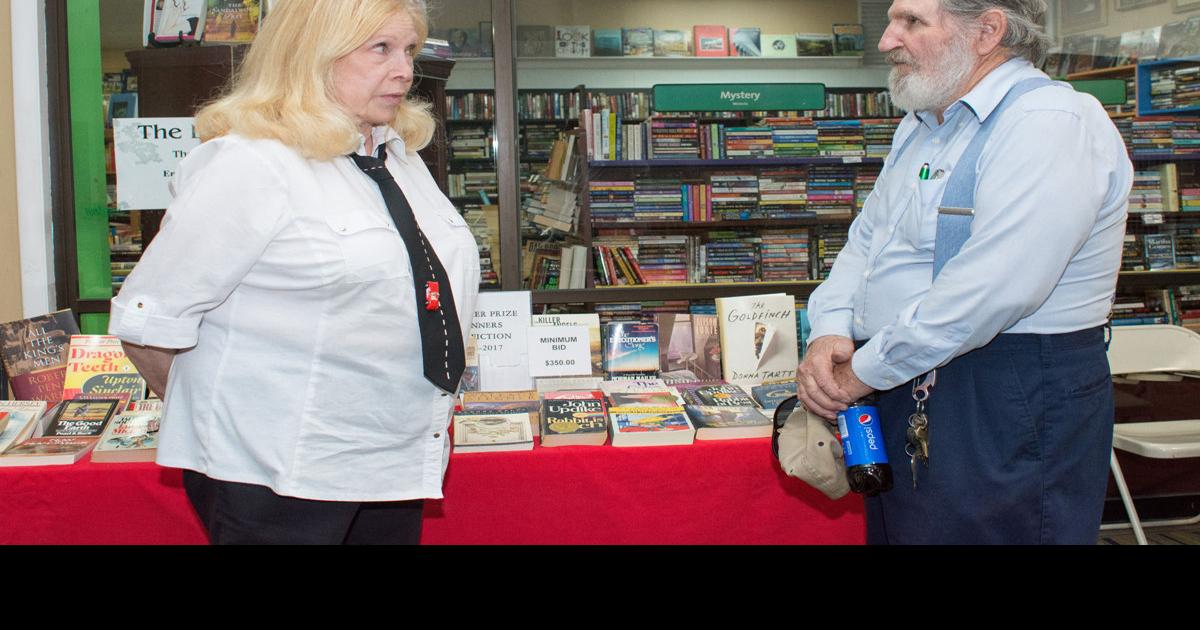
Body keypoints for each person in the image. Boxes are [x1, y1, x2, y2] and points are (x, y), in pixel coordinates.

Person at [110, 0, 480, 544]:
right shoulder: (250, 163)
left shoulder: (398, 157)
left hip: (394, 459)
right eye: (380, 49)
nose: (404, 69)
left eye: (408, 50)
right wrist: (235, 418)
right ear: (312, 55)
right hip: (277, 473)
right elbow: (150, 322)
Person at [796, 0, 1132, 544]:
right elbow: (867, 242)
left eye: (912, 22)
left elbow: (992, 289)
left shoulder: (1050, 122)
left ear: (987, 31)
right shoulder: (923, 124)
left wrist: (862, 372)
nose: (886, 40)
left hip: (1006, 394)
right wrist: (831, 328)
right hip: (901, 377)